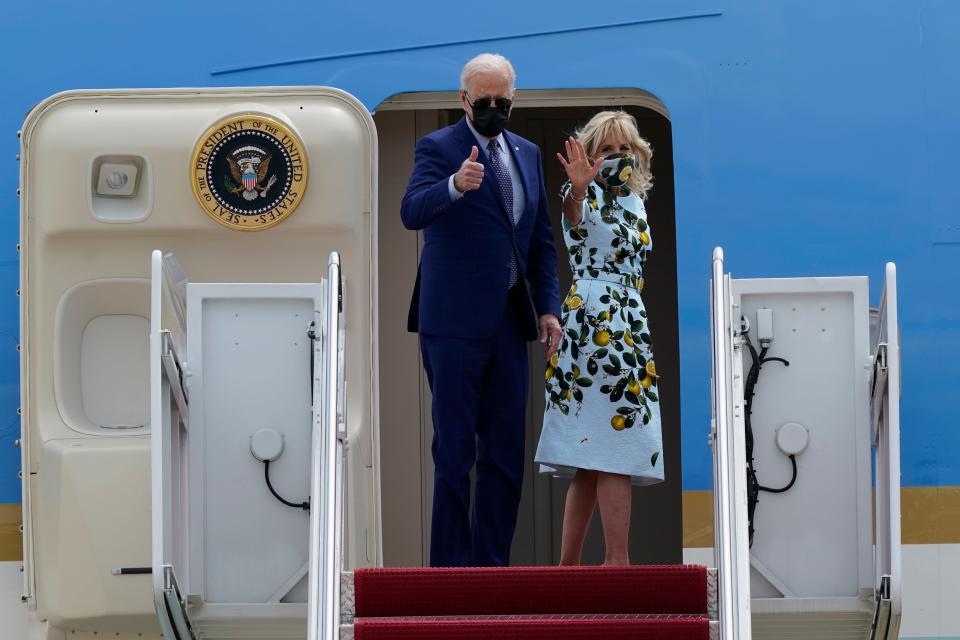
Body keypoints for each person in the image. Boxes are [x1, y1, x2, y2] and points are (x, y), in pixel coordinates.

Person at [400, 53, 562, 567]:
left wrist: (548, 307)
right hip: (452, 324)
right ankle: (449, 570)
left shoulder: (528, 153)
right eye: (483, 100)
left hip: (510, 324)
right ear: (464, 100)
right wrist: (453, 186)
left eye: (502, 100)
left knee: (505, 453)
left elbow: (539, 240)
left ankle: (492, 568)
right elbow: (411, 211)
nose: (493, 108)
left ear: (513, 98)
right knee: (454, 452)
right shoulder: (438, 146)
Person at [534, 111, 662, 566]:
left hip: (628, 320)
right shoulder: (581, 193)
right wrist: (581, 184)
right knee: (608, 441)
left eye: (624, 149)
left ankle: (583, 564)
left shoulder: (635, 202)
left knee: (596, 449)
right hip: (594, 321)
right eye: (606, 149)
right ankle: (612, 562)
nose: (616, 157)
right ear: (589, 156)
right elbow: (572, 212)